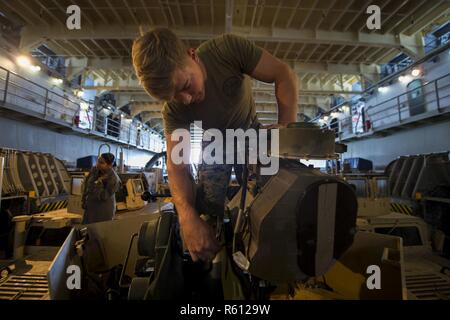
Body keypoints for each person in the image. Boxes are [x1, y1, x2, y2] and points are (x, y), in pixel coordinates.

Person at [132, 28, 298, 264]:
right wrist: (187, 218)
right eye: (175, 97)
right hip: (214, 144)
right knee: (208, 210)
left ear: (193, 56)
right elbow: (178, 166)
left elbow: (283, 74)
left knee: (273, 199)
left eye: (186, 85)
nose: (186, 100)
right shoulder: (174, 109)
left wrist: (284, 142)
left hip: (250, 133)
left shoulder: (227, 50)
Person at [81, 153, 121, 224]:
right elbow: (87, 184)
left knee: (100, 229)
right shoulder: (94, 170)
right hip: (90, 207)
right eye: (98, 161)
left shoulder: (114, 179)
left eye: (102, 163)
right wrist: (84, 199)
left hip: (103, 208)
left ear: (110, 165)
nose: (98, 164)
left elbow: (104, 196)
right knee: (86, 229)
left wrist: (99, 184)